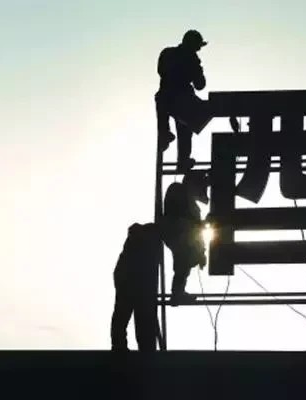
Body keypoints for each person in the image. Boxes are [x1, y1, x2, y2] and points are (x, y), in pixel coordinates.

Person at [155, 30, 239, 172]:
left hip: (166, 98)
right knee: (187, 126)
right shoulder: (191, 59)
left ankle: (165, 135)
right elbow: (200, 85)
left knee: (168, 108)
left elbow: (161, 70)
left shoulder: (167, 53)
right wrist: (197, 70)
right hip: (183, 100)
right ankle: (181, 157)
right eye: (198, 46)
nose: (199, 50)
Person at [110, 222, 163, 351]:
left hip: (131, 281)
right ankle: (132, 349)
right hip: (133, 282)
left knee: (127, 315)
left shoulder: (135, 246)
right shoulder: (145, 243)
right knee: (137, 316)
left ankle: (122, 347)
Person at [162, 170, 209, 305]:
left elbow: (197, 232)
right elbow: (180, 220)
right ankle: (177, 293)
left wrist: (201, 252)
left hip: (181, 235)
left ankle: (178, 292)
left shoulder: (193, 206)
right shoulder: (177, 190)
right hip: (176, 232)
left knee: (185, 260)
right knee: (183, 259)